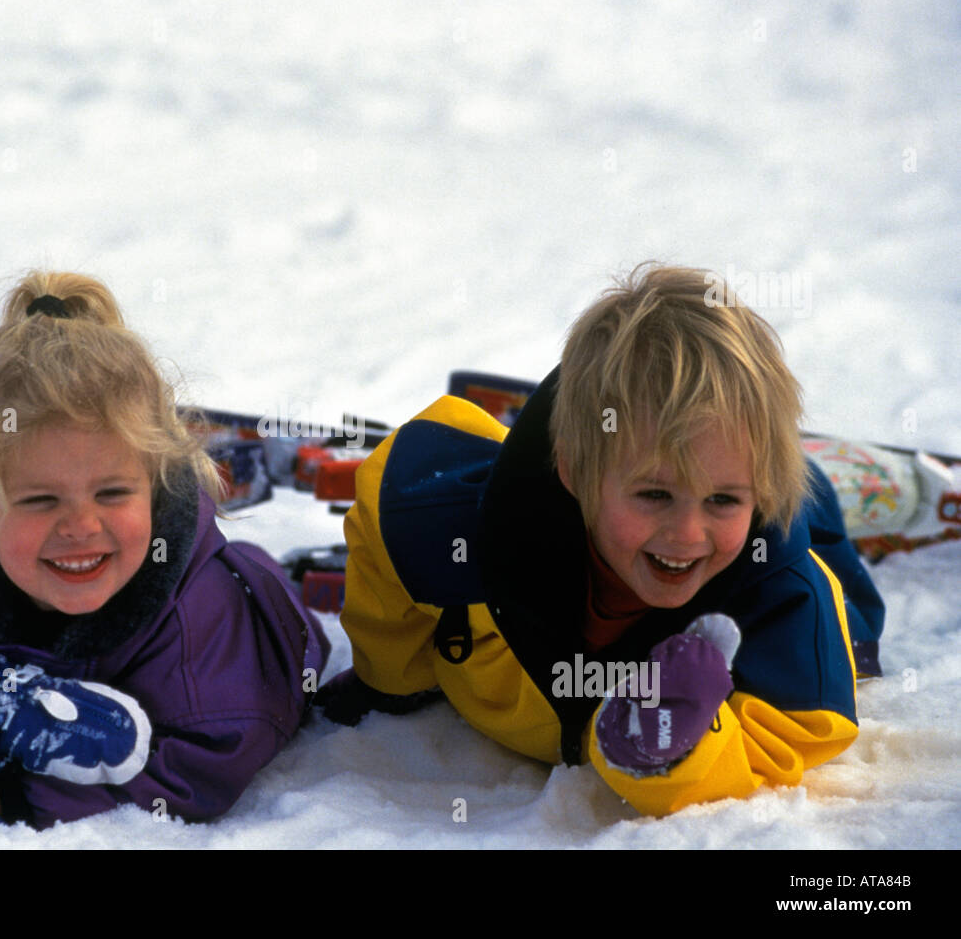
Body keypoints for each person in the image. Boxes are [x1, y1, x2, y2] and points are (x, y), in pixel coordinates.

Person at [319, 262, 884, 816]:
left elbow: (791, 738)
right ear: (573, 470)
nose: (686, 535)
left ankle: (817, 481)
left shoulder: (784, 597)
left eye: (723, 499)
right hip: (537, 477)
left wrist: (667, 752)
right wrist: (390, 682)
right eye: (655, 496)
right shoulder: (444, 528)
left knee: (819, 546)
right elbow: (388, 508)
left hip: (795, 558)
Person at [0, 271, 329, 845]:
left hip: (259, 610)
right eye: (40, 500)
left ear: (153, 487)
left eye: (111, 493)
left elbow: (198, 769)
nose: (80, 525)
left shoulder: (198, 627)